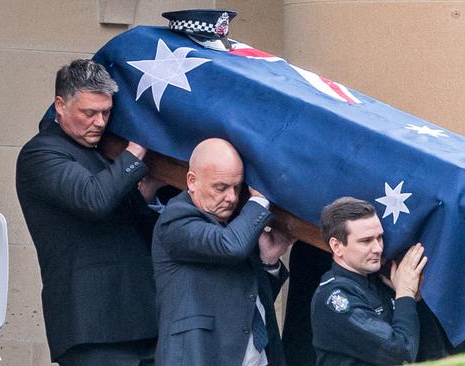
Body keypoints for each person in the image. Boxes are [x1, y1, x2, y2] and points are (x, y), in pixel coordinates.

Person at [16, 59, 163, 365]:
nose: (99, 122)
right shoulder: (41, 153)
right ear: (60, 105)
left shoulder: (104, 156)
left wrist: (147, 190)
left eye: (106, 112)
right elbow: (93, 199)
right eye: (89, 113)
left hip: (143, 318)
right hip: (90, 327)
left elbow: (133, 224)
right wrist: (137, 150)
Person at [152, 138, 293, 366]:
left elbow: (245, 295)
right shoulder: (176, 219)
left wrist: (268, 262)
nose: (232, 198)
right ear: (192, 181)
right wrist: (259, 199)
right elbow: (231, 247)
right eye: (221, 187)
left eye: (237, 187)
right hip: (200, 356)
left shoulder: (234, 225)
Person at [311, 197, 427, 366]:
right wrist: (405, 294)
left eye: (379, 238)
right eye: (365, 241)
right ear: (337, 246)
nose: (378, 248)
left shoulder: (379, 282)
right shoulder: (335, 298)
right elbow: (401, 352)